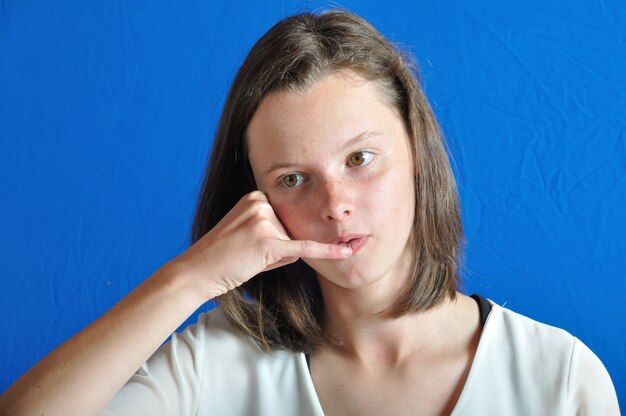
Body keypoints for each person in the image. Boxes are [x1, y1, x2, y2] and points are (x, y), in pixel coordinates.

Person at [0, 9, 619, 416]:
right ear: (257, 202)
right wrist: (193, 278)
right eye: (293, 179)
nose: (336, 204)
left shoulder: (558, 378)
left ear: (417, 154)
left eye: (361, 158)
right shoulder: (215, 364)